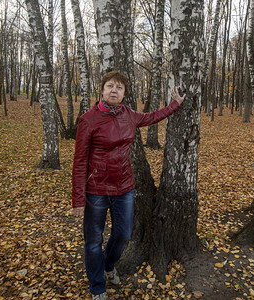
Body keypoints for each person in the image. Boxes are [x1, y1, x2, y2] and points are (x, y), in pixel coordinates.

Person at [71, 70, 186, 300]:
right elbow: (80, 161)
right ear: (102, 90)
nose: (114, 90)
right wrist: (78, 198)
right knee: (93, 239)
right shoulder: (88, 120)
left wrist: (174, 104)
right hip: (96, 191)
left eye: (119, 87)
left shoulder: (129, 115)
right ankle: (97, 286)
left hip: (124, 187)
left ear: (124, 94)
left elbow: (152, 117)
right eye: (110, 86)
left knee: (123, 235)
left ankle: (107, 264)